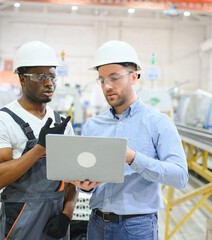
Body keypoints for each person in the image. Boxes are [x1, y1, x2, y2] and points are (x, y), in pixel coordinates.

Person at [70, 40, 188, 240]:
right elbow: (87, 174)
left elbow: (180, 177)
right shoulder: (93, 125)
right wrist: (84, 184)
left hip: (137, 227)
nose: (107, 86)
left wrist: (132, 157)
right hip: (97, 223)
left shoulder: (158, 123)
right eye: (102, 80)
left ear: (134, 77)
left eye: (114, 78)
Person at [0, 41, 78, 240]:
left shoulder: (62, 123)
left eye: (52, 76)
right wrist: (39, 149)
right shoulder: (3, 120)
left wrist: (67, 214)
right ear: (22, 79)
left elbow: (72, 180)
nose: (49, 82)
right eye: (40, 76)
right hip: (20, 217)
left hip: (56, 217)